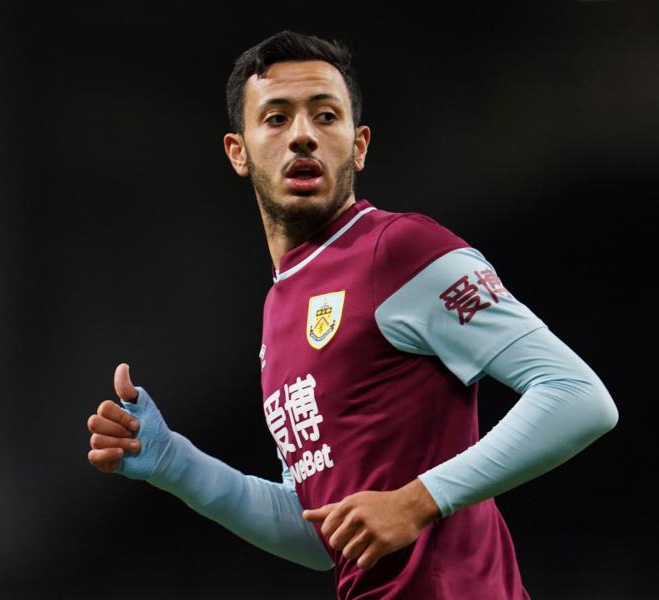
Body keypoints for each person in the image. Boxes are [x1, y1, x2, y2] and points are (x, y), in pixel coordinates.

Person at [85, 30, 618, 599]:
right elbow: (322, 538)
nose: (303, 137)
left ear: (358, 144)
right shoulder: (279, 307)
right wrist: (176, 464)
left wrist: (415, 501)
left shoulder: (400, 249)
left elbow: (577, 396)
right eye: (276, 119)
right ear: (238, 151)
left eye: (325, 116)